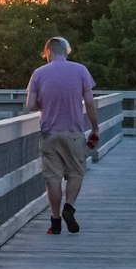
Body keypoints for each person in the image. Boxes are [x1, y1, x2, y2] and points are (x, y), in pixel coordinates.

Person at [25, 36, 99, 235]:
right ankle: (69, 207)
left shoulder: (39, 73)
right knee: (76, 173)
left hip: (49, 134)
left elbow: (30, 105)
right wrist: (95, 128)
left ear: (48, 53)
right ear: (66, 52)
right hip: (73, 133)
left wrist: (46, 105)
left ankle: (55, 222)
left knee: (53, 179)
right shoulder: (80, 70)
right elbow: (90, 103)